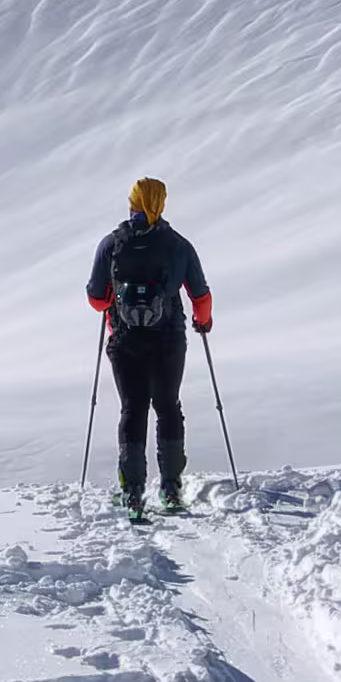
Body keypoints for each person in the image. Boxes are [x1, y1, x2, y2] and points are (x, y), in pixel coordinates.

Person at [84, 177, 213, 514]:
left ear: (132, 203)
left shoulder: (111, 244)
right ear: (161, 203)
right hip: (169, 339)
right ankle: (171, 490)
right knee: (168, 406)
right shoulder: (178, 245)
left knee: (133, 408)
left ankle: (133, 493)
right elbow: (200, 294)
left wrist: (117, 297)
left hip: (126, 340)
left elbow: (97, 300)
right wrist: (203, 321)